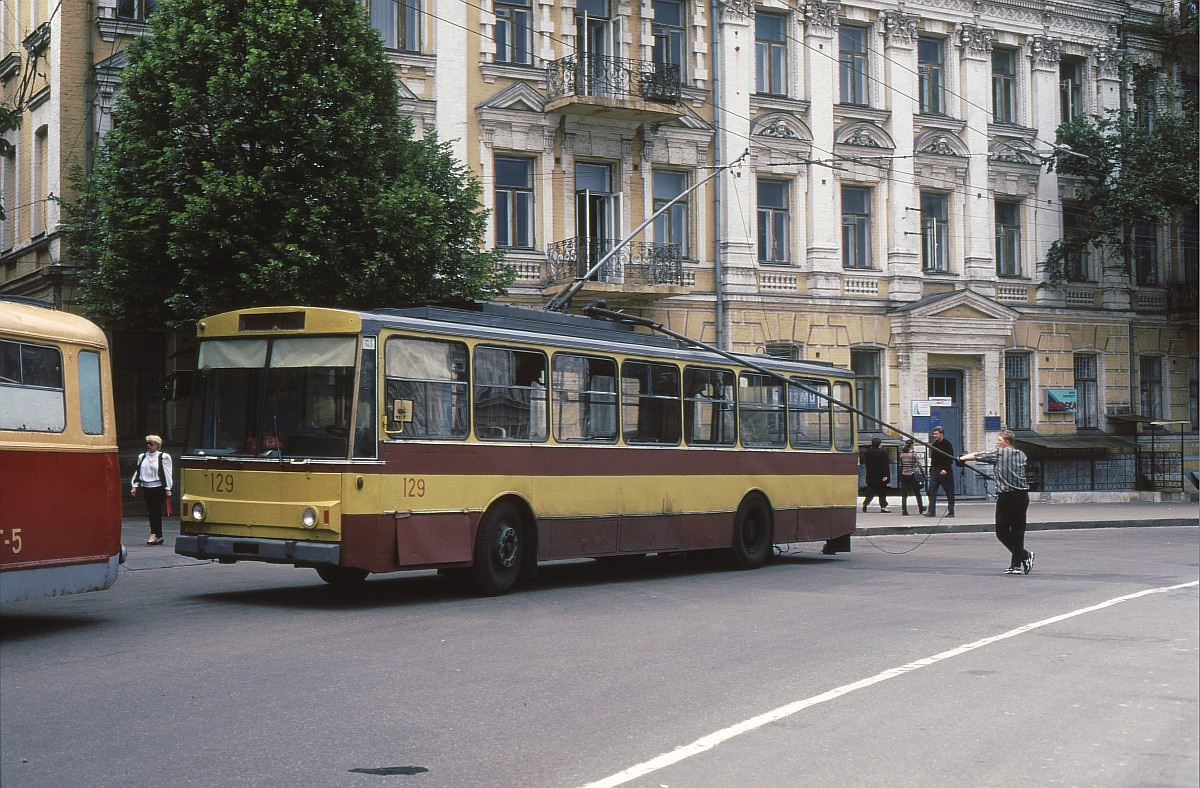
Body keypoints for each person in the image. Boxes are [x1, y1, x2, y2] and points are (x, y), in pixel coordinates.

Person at [960, 429, 1033, 575]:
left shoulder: (999, 453)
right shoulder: (1022, 455)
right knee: (1018, 532)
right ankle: (1020, 560)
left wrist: (961, 459)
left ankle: (1020, 560)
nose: (997, 442)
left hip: (1007, 497)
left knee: (1001, 531)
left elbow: (978, 455)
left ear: (1006, 442)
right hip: (1021, 496)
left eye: (999, 440)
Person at [131, 434, 173, 545]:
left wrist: (168, 488)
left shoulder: (164, 457)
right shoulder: (142, 456)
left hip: (158, 487)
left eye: (151, 444)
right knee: (151, 511)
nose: (149, 446)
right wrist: (135, 485)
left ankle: (154, 533)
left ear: (158, 445)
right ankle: (158, 536)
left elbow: (167, 472)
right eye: (147, 444)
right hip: (146, 486)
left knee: (155, 510)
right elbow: (138, 471)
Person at [924, 426, 956, 517]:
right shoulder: (934, 445)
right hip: (935, 471)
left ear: (941, 434)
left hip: (945, 471)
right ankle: (931, 511)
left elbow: (950, 458)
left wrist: (945, 469)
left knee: (949, 492)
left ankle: (951, 511)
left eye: (936, 434)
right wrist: (931, 469)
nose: (934, 436)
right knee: (931, 491)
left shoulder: (947, 444)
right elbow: (933, 459)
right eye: (934, 434)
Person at [861, 437, 891, 513]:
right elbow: (884, 465)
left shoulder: (868, 452)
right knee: (882, 492)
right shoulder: (883, 452)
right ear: (879, 444)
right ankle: (883, 507)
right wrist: (885, 475)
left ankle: (865, 504)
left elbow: (867, 464)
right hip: (881, 475)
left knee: (870, 491)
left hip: (871, 475)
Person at [898, 439, 925, 516]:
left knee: (904, 494)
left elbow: (900, 464)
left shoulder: (902, 453)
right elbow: (919, 464)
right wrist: (923, 475)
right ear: (911, 445)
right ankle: (921, 508)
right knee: (917, 492)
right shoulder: (913, 453)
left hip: (904, 475)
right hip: (911, 475)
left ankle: (904, 510)